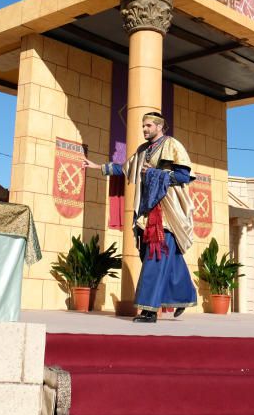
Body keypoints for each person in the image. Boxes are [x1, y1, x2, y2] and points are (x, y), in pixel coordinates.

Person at [83, 112, 197, 323]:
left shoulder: (172, 145)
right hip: (147, 209)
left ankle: (149, 310)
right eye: (143, 126)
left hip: (166, 212)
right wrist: (99, 167)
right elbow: (126, 168)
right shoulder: (143, 151)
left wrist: (155, 173)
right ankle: (184, 295)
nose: (144, 129)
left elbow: (184, 176)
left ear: (160, 127)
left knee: (155, 257)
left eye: (148, 126)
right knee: (163, 257)